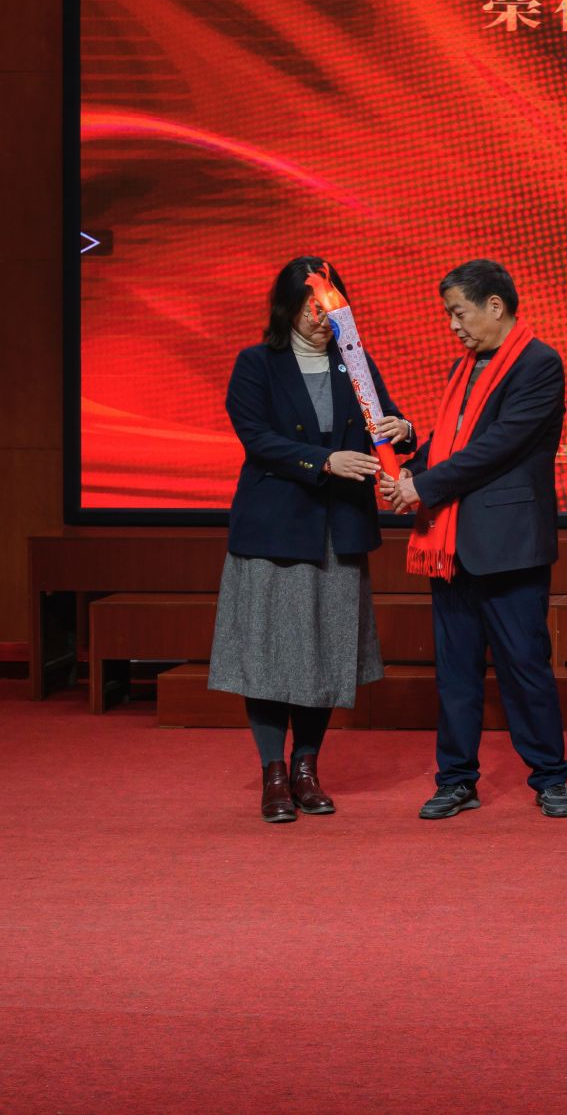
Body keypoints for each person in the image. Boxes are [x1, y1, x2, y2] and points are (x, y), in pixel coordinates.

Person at [211, 257, 412, 823]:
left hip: (338, 529)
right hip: (275, 529)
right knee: (269, 655)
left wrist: (403, 430)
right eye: (308, 308)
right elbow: (257, 439)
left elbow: (388, 427)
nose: (320, 317)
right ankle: (273, 773)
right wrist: (324, 461)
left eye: (327, 307)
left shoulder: (355, 362)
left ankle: (306, 768)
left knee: (324, 651)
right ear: (287, 309)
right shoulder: (256, 363)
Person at [381, 260, 567, 820]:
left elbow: (499, 445)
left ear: (495, 305)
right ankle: (456, 779)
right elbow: (452, 441)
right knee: (456, 672)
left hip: (510, 545)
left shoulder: (539, 364)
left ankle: (550, 777)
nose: (453, 325)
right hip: (451, 544)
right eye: (449, 315)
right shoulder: (462, 368)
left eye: (459, 313)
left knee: (524, 667)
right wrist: (412, 463)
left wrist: (422, 487)